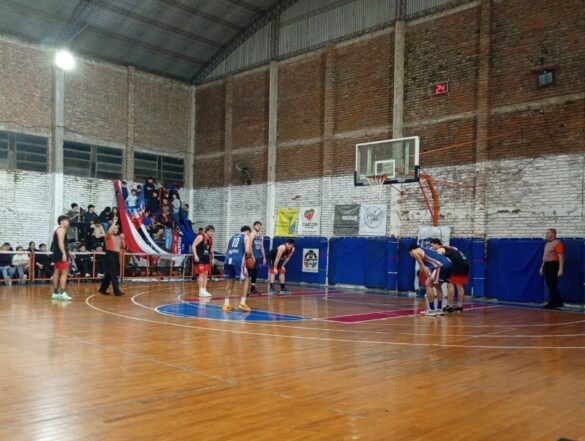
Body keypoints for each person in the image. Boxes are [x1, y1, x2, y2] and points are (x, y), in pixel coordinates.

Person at [408, 243, 452, 316]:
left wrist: (428, 277)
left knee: (428, 285)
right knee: (438, 286)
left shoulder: (414, 251)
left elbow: (422, 265)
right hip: (449, 264)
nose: (411, 255)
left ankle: (431, 310)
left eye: (410, 253)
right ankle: (439, 309)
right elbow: (432, 263)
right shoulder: (426, 250)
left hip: (440, 266)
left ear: (411, 250)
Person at [429, 238, 469, 313]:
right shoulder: (450, 247)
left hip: (457, 265)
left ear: (437, 244)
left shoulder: (440, 249)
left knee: (450, 284)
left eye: (432, 245)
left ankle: (450, 306)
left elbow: (439, 261)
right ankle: (459, 306)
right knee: (460, 286)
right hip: (465, 263)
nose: (431, 247)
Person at [223, 226, 253, 312]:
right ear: (248, 232)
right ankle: (242, 303)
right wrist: (250, 257)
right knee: (246, 279)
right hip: (238, 260)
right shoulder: (246, 236)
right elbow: (247, 251)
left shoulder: (231, 236)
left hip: (227, 260)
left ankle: (226, 304)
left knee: (230, 281)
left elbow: (226, 250)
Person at [50, 215, 75, 301]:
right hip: (60, 254)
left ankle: (55, 293)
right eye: (66, 221)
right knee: (64, 273)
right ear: (61, 222)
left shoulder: (58, 230)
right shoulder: (61, 230)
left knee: (56, 272)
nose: (68, 222)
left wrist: (69, 252)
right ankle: (62, 293)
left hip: (57, 253)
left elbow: (61, 244)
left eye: (68, 221)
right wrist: (64, 254)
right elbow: (60, 243)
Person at [98, 223, 126, 296]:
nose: (116, 229)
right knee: (113, 274)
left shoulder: (119, 237)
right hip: (110, 255)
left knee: (109, 274)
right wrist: (114, 222)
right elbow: (108, 232)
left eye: (117, 228)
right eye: (114, 228)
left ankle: (102, 289)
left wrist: (122, 238)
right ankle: (117, 291)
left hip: (116, 255)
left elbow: (123, 246)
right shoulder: (108, 236)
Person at [540, 228, 565, 309]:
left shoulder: (557, 243)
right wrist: (542, 267)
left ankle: (551, 303)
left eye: (548, 233)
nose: (546, 234)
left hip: (553, 265)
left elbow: (561, 257)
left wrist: (560, 269)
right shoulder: (547, 243)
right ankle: (559, 302)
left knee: (552, 284)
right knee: (550, 284)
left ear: (553, 234)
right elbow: (545, 257)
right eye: (546, 233)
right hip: (547, 265)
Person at [192, 225, 214, 298]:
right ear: (206, 231)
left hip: (206, 258)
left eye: (213, 232)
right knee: (201, 274)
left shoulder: (211, 239)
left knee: (206, 274)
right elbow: (193, 245)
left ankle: (204, 290)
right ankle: (201, 291)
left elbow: (211, 250)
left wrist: (213, 258)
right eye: (211, 231)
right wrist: (195, 255)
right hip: (199, 258)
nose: (212, 233)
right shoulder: (200, 237)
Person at [249, 221, 266, 294]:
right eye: (257, 226)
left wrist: (264, 257)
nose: (259, 227)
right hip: (252, 256)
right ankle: (244, 288)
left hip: (259, 257)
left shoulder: (260, 236)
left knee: (255, 273)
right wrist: (252, 256)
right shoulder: (251, 235)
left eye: (260, 226)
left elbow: (262, 247)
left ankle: (253, 288)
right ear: (254, 226)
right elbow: (249, 246)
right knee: (249, 273)